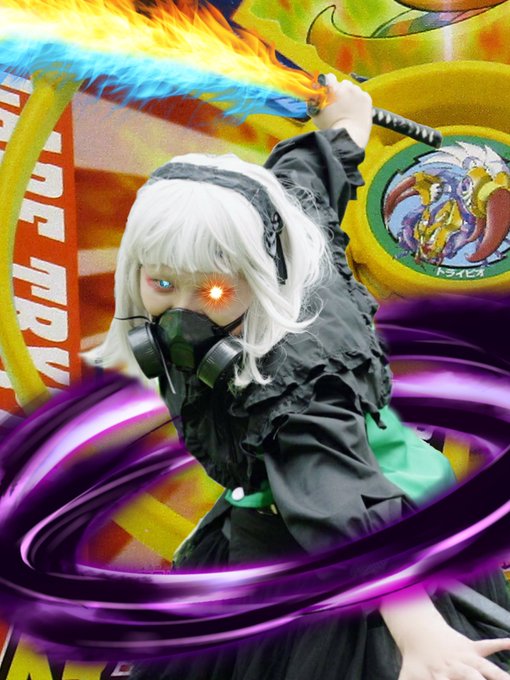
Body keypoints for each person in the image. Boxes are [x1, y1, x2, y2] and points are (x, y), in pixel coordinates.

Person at [88, 74, 510, 679]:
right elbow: (304, 185)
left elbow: (339, 507)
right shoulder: (292, 239)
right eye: (161, 283)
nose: (182, 311)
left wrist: (419, 634)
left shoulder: (289, 389)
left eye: (212, 291)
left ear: (259, 275)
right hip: (298, 505)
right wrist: (344, 127)